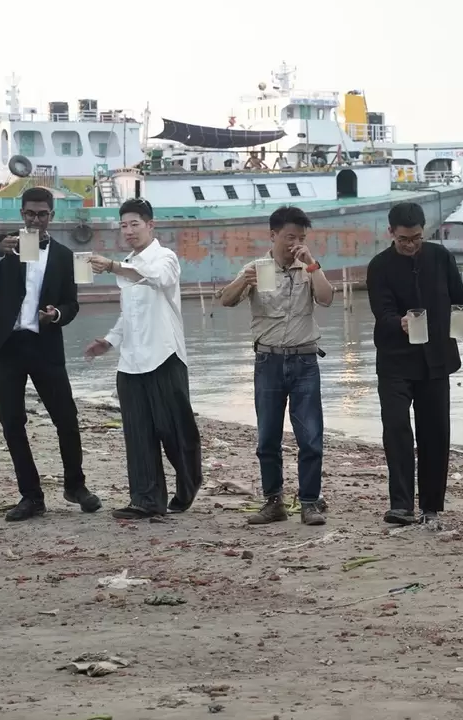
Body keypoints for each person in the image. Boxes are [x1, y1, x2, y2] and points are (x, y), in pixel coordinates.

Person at [0, 187, 101, 521]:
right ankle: (31, 496)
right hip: (6, 345)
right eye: (30, 213)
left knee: (67, 418)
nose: (35, 220)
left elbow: (72, 304)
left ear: (51, 216)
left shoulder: (64, 256)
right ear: (22, 214)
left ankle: (75, 486)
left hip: (44, 344)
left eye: (42, 214)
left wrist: (56, 315)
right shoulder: (3, 243)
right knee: (13, 422)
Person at [84, 198, 202, 520]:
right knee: (138, 434)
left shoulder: (165, 258)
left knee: (174, 430)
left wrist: (112, 267)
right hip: (131, 362)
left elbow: (156, 279)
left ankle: (189, 482)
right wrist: (109, 341)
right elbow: (129, 314)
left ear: (151, 225)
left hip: (164, 356)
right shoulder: (127, 263)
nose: (129, 231)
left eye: (135, 224)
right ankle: (146, 500)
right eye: (123, 225)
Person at [366, 201, 463, 527]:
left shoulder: (441, 257)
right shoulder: (379, 266)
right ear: (391, 233)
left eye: (417, 238)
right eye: (404, 239)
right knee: (397, 429)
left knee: (435, 432)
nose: (411, 244)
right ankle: (401, 505)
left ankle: (431, 505)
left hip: (437, 359)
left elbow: (460, 302)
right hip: (395, 361)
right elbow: (382, 312)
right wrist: (398, 322)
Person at [220, 205, 334, 526]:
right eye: (289, 237)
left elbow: (326, 298)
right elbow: (226, 300)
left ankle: (309, 502)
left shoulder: (308, 267)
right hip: (268, 360)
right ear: (273, 236)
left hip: (304, 360)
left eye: (301, 238)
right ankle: (274, 503)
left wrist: (312, 264)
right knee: (268, 437)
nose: (295, 243)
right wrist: (244, 280)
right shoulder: (255, 268)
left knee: (310, 436)